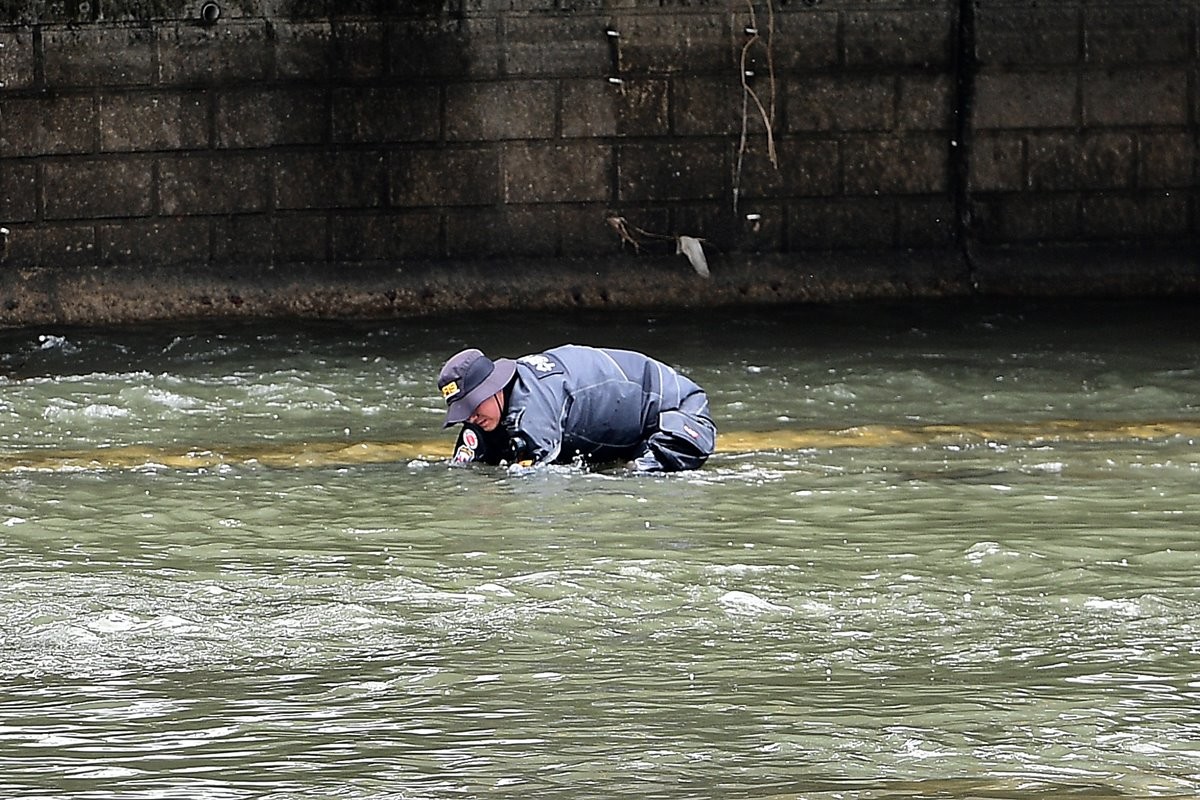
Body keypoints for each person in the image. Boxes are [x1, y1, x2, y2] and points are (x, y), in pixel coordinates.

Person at [437, 344, 716, 472]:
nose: (471, 417)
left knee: (635, 475)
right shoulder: (486, 414)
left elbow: (534, 486)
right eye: (464, 412)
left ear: (495, 388)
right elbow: (464, 468)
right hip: (619, 427)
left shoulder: (533, 410)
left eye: (473, 406)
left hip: (677, 412)